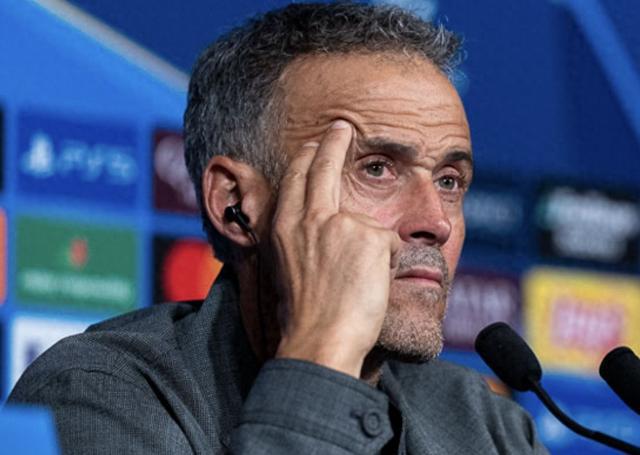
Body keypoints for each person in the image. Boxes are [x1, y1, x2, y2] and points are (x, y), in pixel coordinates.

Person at [9, 2, 548, 453]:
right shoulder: (99, 394)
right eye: (376, 169)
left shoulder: (487, 427)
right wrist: (324, 351)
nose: (436, 222)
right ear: (235, 203)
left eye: (450, 181)